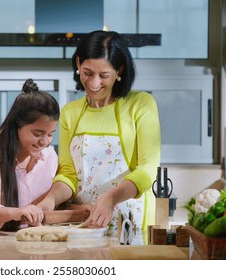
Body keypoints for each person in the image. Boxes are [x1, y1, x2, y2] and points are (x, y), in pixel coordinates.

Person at [37, 30, 161, 236]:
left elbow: (147, 169)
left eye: (104, 75)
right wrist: (50, 199)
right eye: (87, 73)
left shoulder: (141, 104)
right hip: (84, 222)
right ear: (78, 64)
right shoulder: (71, 112)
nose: (94, 83)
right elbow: (68, 174)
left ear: (119, 71)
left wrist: (110, 198)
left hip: (129, 219)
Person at [0, 78, 60, 232]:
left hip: (36, 246)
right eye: (38, 133)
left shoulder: (50, 156)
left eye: (51, 134)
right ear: (17, 126)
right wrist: (16, 213)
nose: (45, 142)